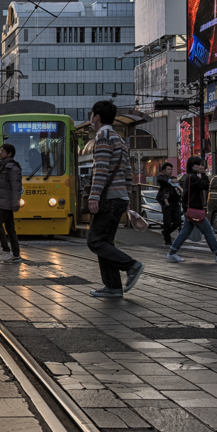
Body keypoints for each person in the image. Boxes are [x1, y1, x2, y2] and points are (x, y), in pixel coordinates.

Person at [86, 100, 143, 298]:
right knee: (105, 242)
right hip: (118, 198)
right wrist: (125, 197)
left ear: (97, 117)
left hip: (108, 198)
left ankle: (131, 266)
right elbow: (128, 172)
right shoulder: (119, 138)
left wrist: (94, 196)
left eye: (92, 115)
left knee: (95, 241)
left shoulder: (103, 136)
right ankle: (113, 287)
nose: (91, 119)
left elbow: (101, 169)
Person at [165, 156, 217, 264]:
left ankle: (172, 253)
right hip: (195, 209)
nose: (201, 166)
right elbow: (205, 185)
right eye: (199, 164)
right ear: (195, 166)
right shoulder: (193, 177)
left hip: (189, 209)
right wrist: (203, 174)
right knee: (208, 231)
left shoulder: (188, 176)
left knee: (184, 232)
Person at [0, 144, 23, 263]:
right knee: (10, 228)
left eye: (2, 151)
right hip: (5, 202)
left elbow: (16, 187)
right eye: (0, 150)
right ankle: (16, 254)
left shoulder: (12, 168)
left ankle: (6, 250)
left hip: (7, 203)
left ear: (9, 153)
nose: (0, 152)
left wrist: (15, 203)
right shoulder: (3, 167)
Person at [156, 162, 182, 246]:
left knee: (177, 221)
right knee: (167, 221)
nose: (170, 171)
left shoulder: (174, 178)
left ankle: (166, 232)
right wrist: (170, 181)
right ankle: (167, 239)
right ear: (164, 170)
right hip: (166, 202)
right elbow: (160, 180)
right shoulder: (163, 178)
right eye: (168, 169)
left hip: (175, 202)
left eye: (171, 169)